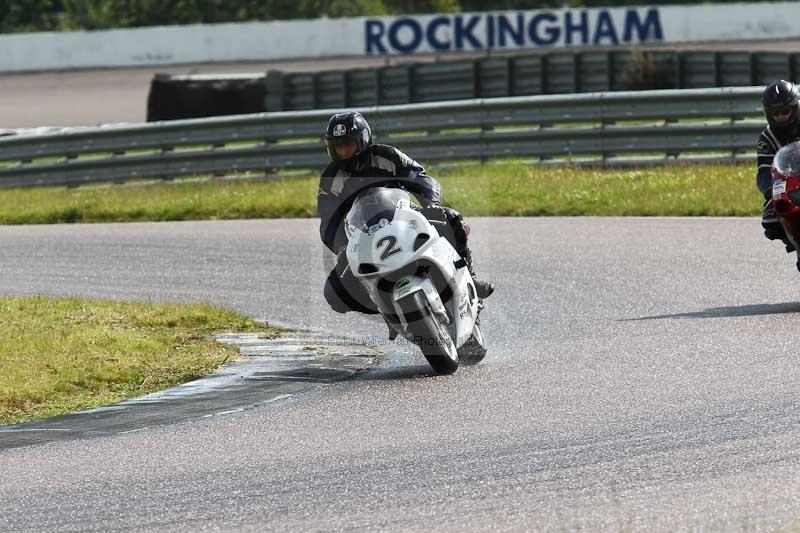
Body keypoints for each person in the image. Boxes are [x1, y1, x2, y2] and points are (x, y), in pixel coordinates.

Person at [318, 110, 494, 315]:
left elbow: (419, 177)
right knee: (334, 293)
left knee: (452, 218)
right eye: (338, 147)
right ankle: (387, 307)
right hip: (362, 238)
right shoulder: (330, 179)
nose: (344, 151)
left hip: (403, 219)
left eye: (348, 144)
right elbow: (328, 221)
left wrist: (432, 204)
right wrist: (342, 247)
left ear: (362, 140)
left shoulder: (387, 155)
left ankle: (470, 276)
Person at [757, 80, 800, 250]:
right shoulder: (767, 138)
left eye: (785, 111)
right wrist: (771, 191)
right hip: (787, 183)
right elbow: (763, 172)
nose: (781, 116)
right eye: (776, 113)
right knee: (770, 220)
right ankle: (795, 242)